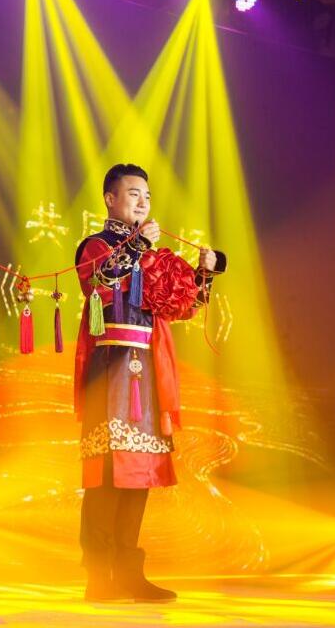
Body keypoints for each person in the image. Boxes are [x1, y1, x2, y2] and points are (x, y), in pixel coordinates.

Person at [74, 163, 226, 602]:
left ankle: (128, 573)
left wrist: (205, 273)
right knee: (107, 474)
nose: (142, 202)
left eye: (147, 196)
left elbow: (184, 305)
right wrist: (139, 245)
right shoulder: (95, 246)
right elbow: (101, 281)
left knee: (138, 473)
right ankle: (98, 575)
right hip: (111, 368)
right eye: (133, 193)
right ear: (110, 199)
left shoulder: (152, 256)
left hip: (146, 369)